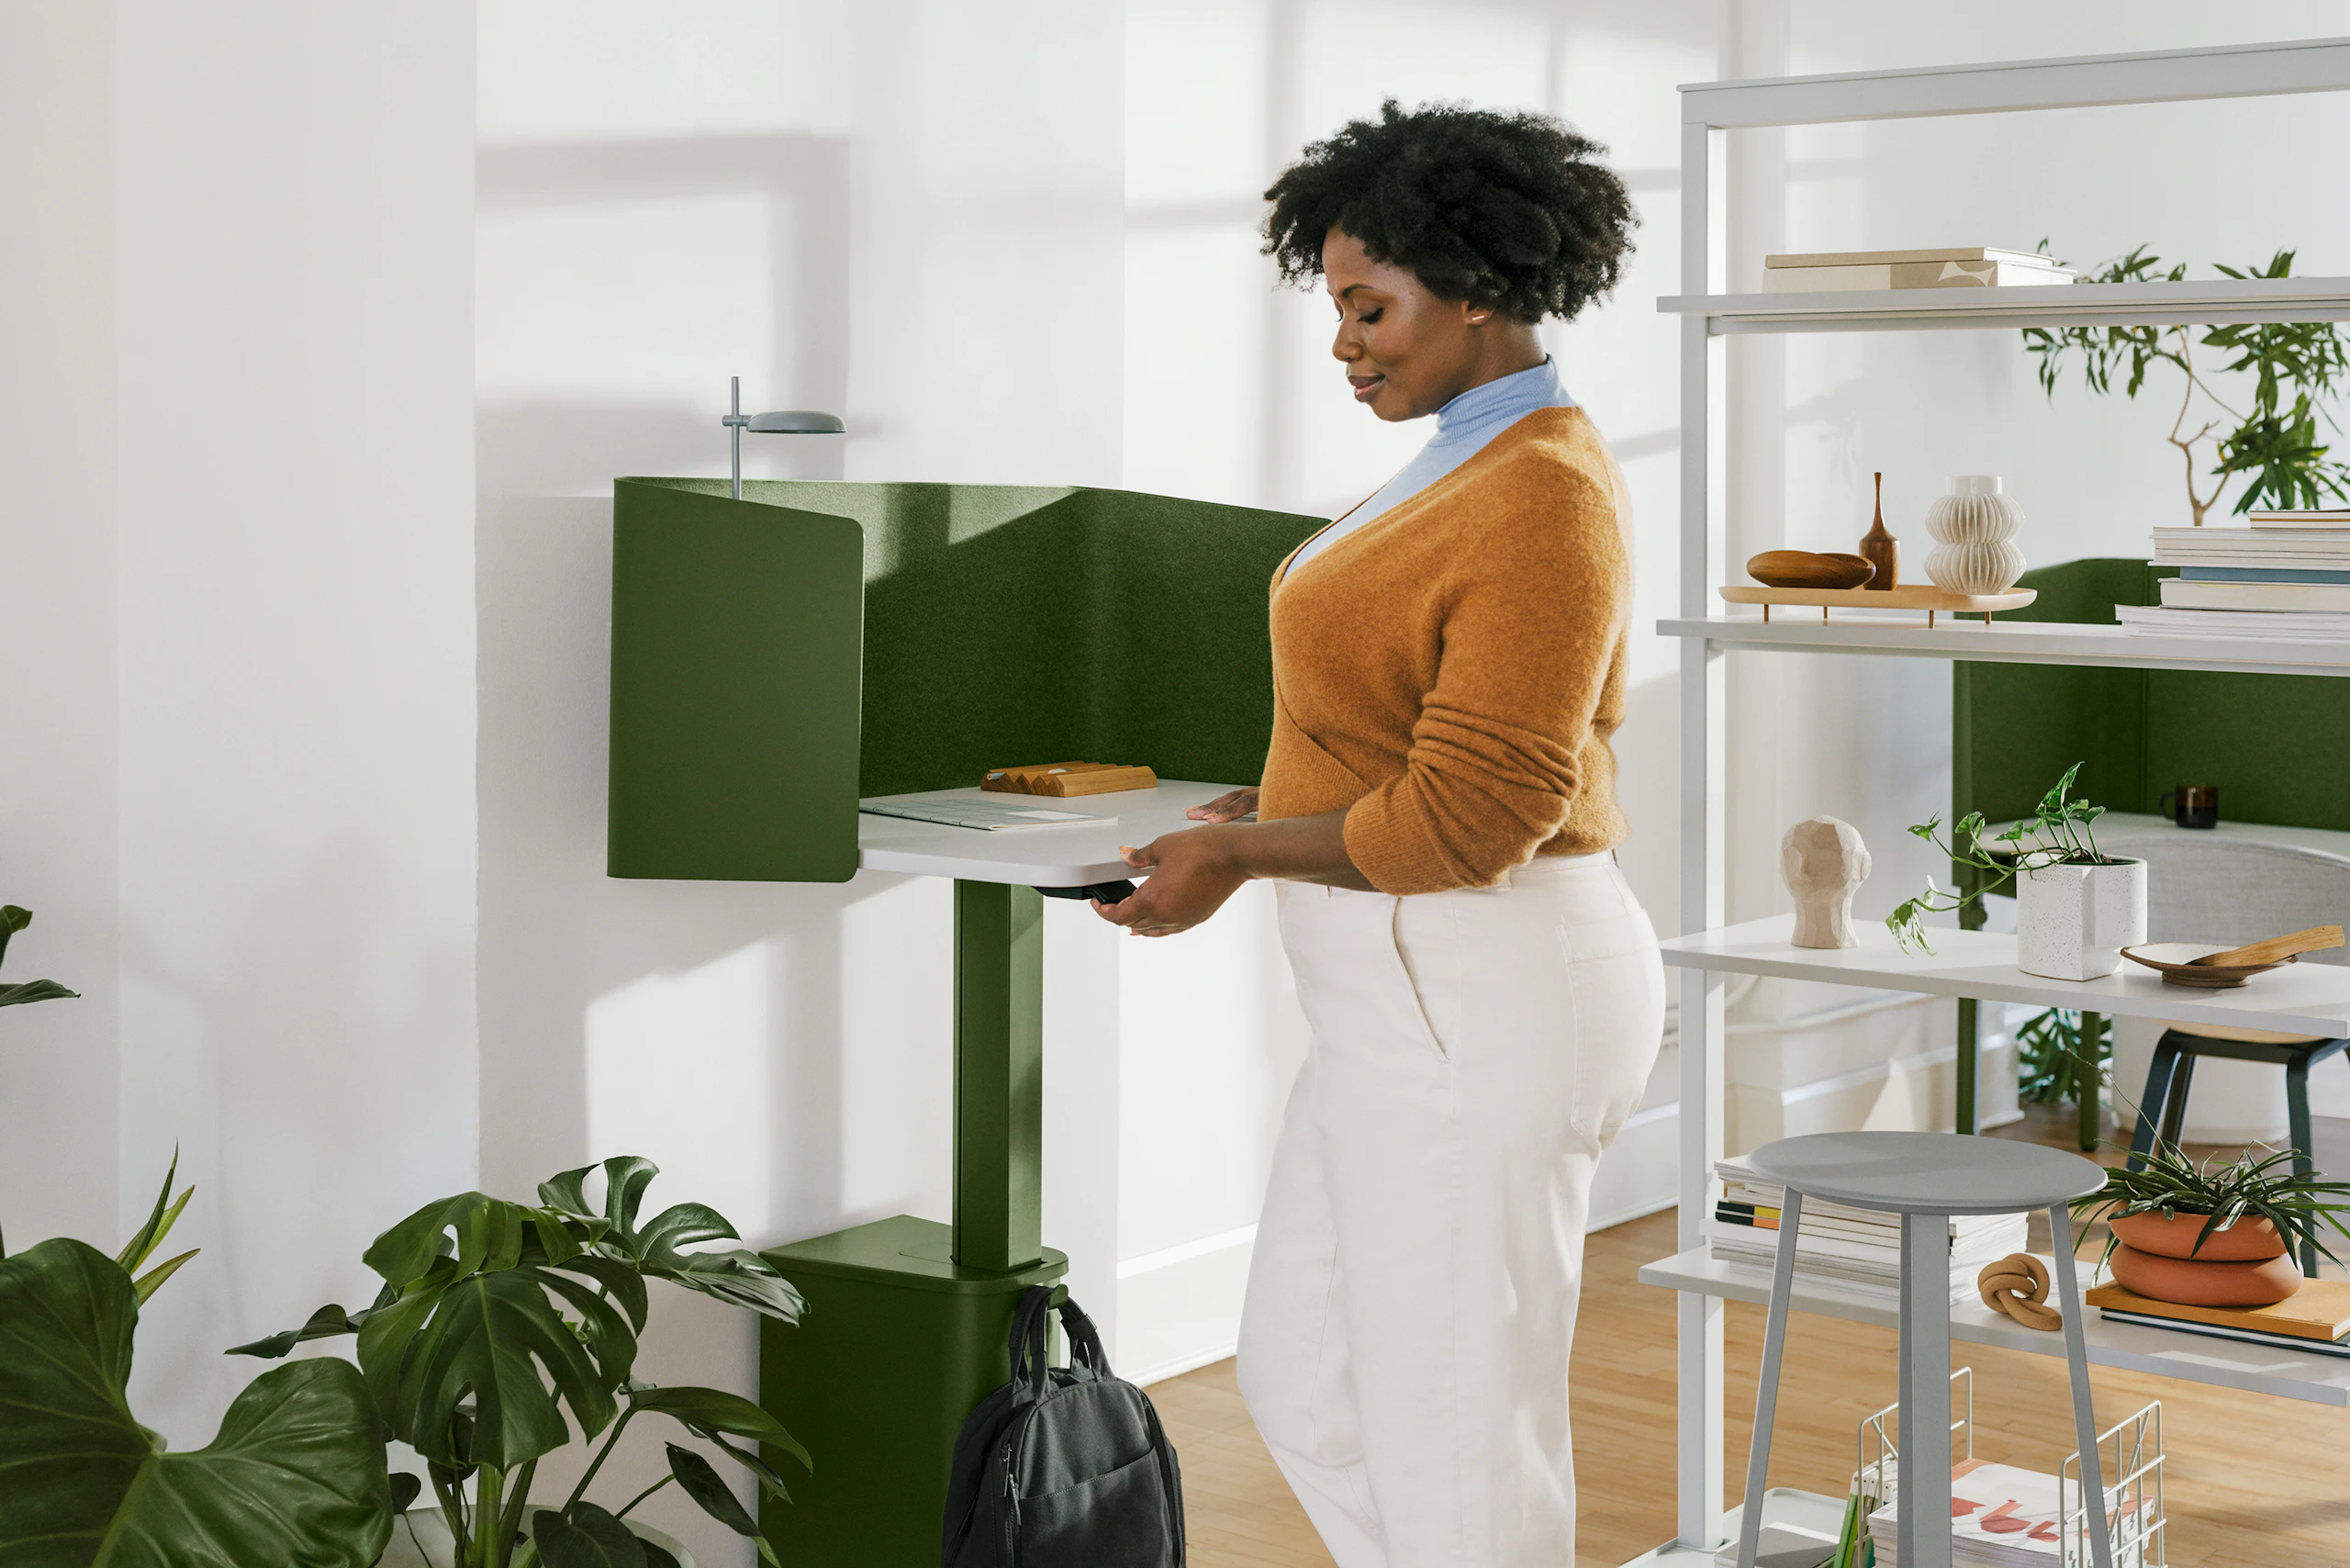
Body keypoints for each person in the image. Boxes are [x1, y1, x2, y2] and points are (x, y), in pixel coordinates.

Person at [1091, 98, 1662, 1566]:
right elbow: (1410, 724)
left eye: (1371, 307)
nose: (1345, 342)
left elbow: (1480, 810)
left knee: (1461, 1432)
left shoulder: (1540, 493)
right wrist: (1265, 810)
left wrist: (1240, 858)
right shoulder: (1461, 463)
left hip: (1481, 971)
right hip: (1408, 990)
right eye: (1337, 306)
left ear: (1477, 287)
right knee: (1310, 1375)